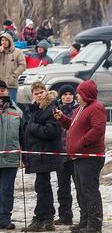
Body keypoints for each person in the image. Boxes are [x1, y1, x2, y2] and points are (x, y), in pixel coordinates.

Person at [53, 80, 106, 233]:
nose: (77, 96)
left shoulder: (96, 107)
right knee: (82, 191)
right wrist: (62, 118)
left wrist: (81, 142)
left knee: (90, 191)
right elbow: (72, 125)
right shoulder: (81, 108)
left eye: (79, 93)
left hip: (89, 156)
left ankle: (94, 225)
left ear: (86, 94)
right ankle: (85, 222)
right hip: (78, 156)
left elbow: (98, 129)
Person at [22, 82, 64, 232]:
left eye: (41, 92)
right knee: (43, 186)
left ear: (46, 92)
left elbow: (51, 131)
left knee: (42, 187)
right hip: (38, 154)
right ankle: (47, 219)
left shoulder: (51, 108)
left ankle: (40, 219)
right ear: (32, 95)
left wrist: (32, 127)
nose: (39, 95)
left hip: (46, 154)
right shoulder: (37, 109)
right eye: (36, 93)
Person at [54, 85, 78, 226]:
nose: (67, 97)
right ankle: (65, 216)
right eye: (64, 94)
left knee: (80, 188)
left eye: (70, 94)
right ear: (60, 97)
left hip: (75, 156)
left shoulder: (78, 110)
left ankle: (85, 215)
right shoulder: (56, 111)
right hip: (60, 156)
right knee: (63, 189)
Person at [0, 80, 21, 230]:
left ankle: (4, 219)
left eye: (3, 89)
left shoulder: (17, 110)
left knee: (7, 190)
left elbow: (23, 135)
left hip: (11, 158)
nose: (1, 91)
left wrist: (23, 156)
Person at [0, 32, 26, 102]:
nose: (4, 42)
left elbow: (23, 65)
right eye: (2, 40)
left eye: (6, 40)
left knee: (12, 104)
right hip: (0, 84)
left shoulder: (17, 52)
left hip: (11, 84)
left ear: (10, 41)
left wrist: (14, 75)